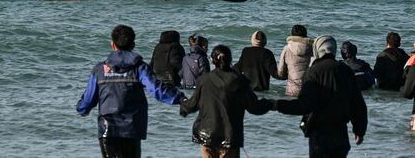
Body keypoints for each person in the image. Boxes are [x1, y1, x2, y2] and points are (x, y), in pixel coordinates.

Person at [76, 25, 186, 158]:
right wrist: (179, 98)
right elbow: (156, 90)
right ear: (133, 45)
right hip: (132, 127)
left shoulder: (99, 70)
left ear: (113, 45)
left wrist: (82, 109)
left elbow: (89, 98)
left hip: (107, 129)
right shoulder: (140, 68)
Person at [272, 35, 367, 158]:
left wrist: (276, 105)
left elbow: (304, 105)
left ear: (317, 49)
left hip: (319, 134)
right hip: (340, 133)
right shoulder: (345, 70)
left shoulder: (313, 72)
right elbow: (357, 103)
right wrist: (359, 130)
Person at [180, 45, 273, 158]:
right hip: (230, 137)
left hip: (206, 136)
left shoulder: (203, 80)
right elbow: (254, 107)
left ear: (213, 61)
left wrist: (183, 106)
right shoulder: (240, 81)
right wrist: (271, 104)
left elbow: (192, 105)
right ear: (230, 60)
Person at [277, 25, 314, 96]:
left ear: (292, 35)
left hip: (292, 88)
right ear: (305, 34)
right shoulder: (312, 49)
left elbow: (281, 72)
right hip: (309, 88)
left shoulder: (287, 49)